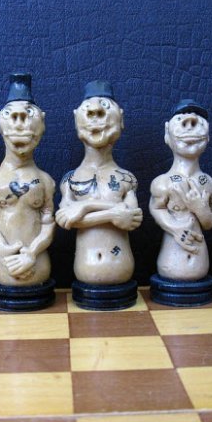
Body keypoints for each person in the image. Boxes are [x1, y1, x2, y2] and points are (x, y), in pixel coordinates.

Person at [57, 80, 142, 309]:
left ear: (120, 119)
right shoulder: (69, 180)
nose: (96, 112)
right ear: (76, 120)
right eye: (88, 110)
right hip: (85, 273)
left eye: (105, 108)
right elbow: (65, 219)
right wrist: (112, 213)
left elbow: (131, 219)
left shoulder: (127, 178)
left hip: (121, 271)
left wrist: (85, 207)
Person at [0, 73, 55, 310]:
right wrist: (4, 250)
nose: (19, 121)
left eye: (28, 114)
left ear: (42, 124)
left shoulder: (46, 181)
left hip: (38, 264)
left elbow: (48, 223)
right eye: (11, 115)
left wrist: (32, 253)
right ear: (0, 123)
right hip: (4, 265)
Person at [148, 100, 212, 306]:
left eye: (198, 121)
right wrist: (175, 227)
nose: (190, 123)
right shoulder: (162, 182)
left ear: (208, 136)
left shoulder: (208, 182)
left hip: (200, 262)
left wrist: (200, 209)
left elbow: (210, 223)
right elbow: (156, 208)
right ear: (167, 134)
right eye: (181, 120)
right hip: (171, 260)